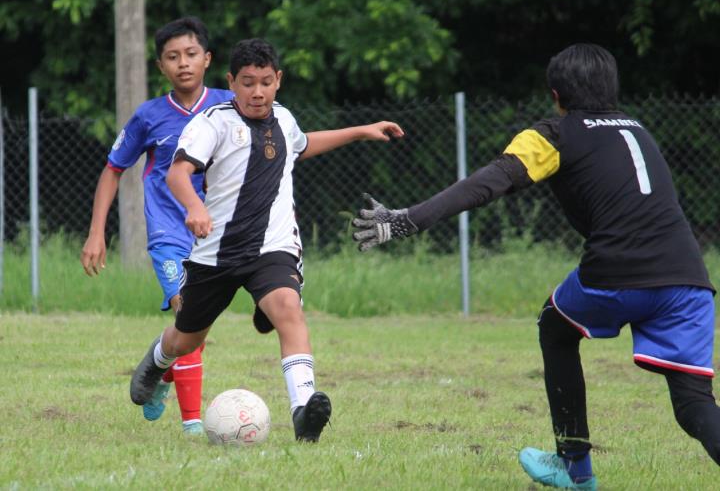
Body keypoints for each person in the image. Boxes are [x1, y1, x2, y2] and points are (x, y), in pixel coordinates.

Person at [351, 43, 720, 489]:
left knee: (555, 326)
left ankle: (575, 469)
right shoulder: (639, 129)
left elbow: (489, 182)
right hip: (689, 278)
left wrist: (407, 219)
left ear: (555, 94)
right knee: (695, 405)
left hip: (617, 271)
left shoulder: (556, 133)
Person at [129, 37, 404, 442]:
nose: (257, 92)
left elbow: (304, 145)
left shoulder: (284, 121)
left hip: (271, 249)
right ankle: (157, 359)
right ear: (231, 82)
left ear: (278, 80)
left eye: (265, 82)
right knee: (188, 338)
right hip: (216, 253)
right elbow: (177, 173)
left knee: (288, 309)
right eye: (247, 83)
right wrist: (195, 207)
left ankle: (303, 411)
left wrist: (362, 130)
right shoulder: (213, 123)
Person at [81, 17, 235, 435]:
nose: (182, 63)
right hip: (169, 234)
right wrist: (97, 233)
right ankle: (193, 426)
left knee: (193, 331)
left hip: (220, 238)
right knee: (188, 316)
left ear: (207, 59)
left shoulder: (232, 104)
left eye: (190, 54)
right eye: (172, 57)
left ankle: (162, 372)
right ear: (160, 66)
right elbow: (112, 170)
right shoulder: (148, 116)